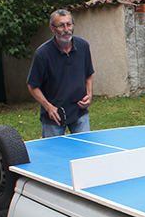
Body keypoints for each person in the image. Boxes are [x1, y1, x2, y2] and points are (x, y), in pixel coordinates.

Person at [27, 9, 95, 138]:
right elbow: (32, 86)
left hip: (79, 112)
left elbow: (89, 74)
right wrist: (48, 107)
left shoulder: (83, 46)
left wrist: (89, 94)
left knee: (85, 152)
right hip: (54, 116)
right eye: (61, 25)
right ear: (52, 28)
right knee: (54, 155)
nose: (66, 29)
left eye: (69, 24)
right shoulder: (42, 54)